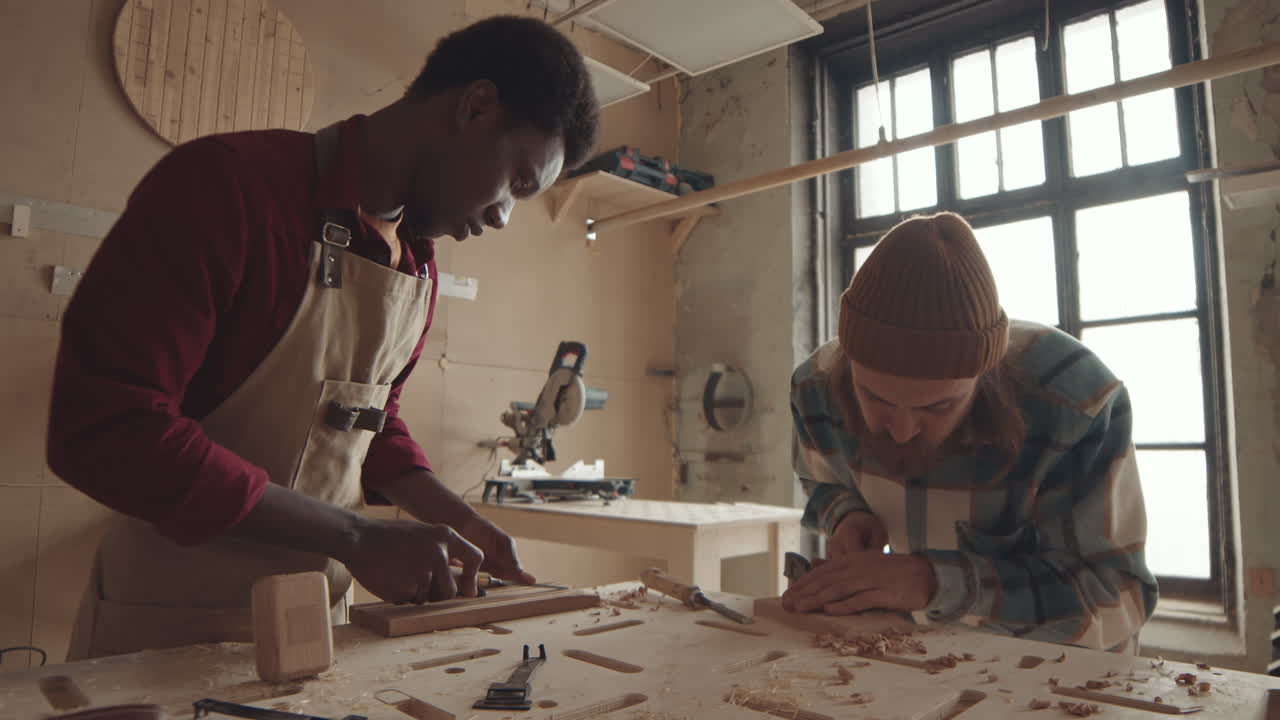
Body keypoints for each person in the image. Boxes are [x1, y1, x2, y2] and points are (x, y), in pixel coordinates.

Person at [47, 15, 599, 659]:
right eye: (519, 182)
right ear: (475, 106)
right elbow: (103, 429)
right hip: (171, 632)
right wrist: (356, 538)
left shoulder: (414, 263)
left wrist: (454, 516)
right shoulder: (225, 188)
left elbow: (365, 421)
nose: (505, 216)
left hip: (327, 631)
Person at [781, 212, 1157, 653]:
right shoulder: (816, 389)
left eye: (939, 406)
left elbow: (1118, 598)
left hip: (1066, 675)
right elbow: (820, 478)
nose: (901, 431)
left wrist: (936, 582)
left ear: (986, 377)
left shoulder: (1074, 402)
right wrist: (845, 513)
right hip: (921, 653)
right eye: (876, 399)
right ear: (848, 363)